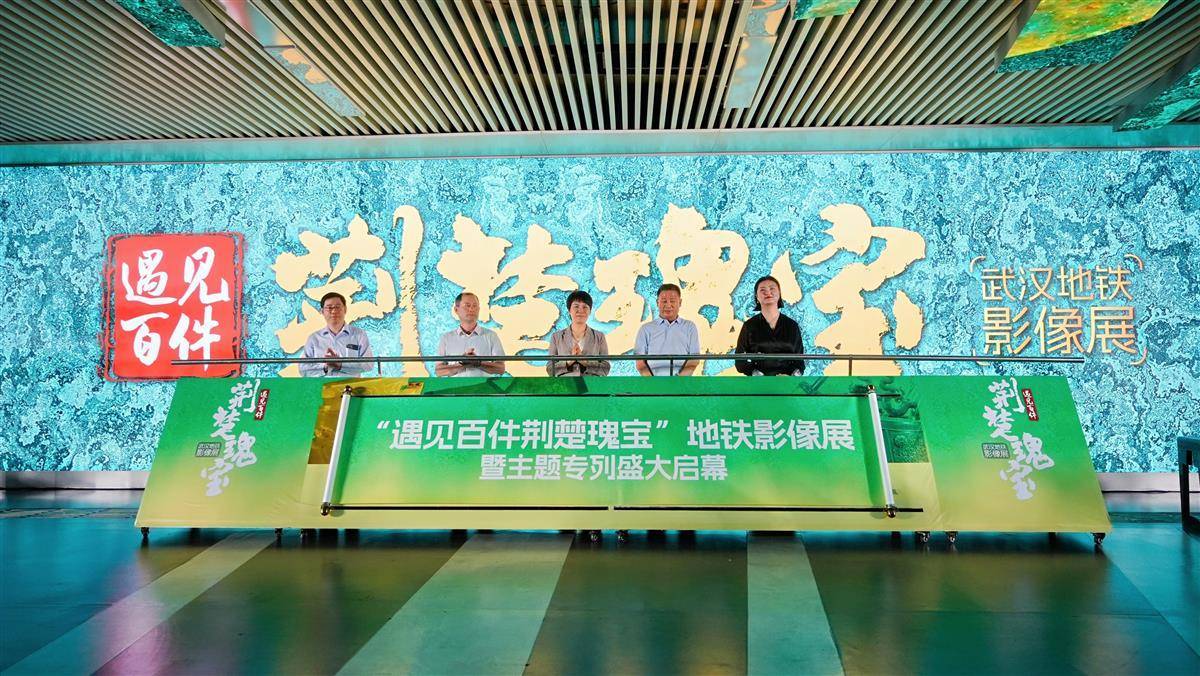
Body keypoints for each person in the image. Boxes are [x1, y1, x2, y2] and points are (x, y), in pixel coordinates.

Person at [735, 275, 806, 376]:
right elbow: (739, 360)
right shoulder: (749, 326)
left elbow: (800, 360)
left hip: (787, 381)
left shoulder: (792, 326)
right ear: (757, 297)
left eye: (772, 288)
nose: (768, 292)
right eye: (762, 290)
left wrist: (794, 375)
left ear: (779, 294)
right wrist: (754, 373)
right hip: (758, 382)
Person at [300, 292, 374, 377]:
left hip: (351, 384)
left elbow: (368, 364)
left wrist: (341, 365)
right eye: (329, 307)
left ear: (345, 309)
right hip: (322, 384)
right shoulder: (314, 338)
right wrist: (325, 367)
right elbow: (303, 369)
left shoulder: (359, 334)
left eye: (338, 307)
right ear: (322, 311)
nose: (334, 311)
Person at [635, 283, 701, 376]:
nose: (668, 305)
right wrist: (652, 383)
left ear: (680, 302)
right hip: (653, 382)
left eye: (672, 301)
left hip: (682, 382)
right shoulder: (645, 329)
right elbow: (640, 363)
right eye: (664, 301)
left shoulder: (690, 327)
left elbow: (694, 360)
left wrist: (679, 381)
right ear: (657, 303)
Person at [436, 292, 506, 377]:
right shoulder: (446, 338)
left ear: (479, 309)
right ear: (456, 310)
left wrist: (479, 363)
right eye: (467, 305)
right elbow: (439, 371)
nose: (471, 309)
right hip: (455, 385)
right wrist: (461, 363)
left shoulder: (491, 336)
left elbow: (500, 368)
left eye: (475, 306)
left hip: (483, 385)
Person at [546, 290, 611, 377]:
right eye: (576, 306)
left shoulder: (599, 336)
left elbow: (605, 368)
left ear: (590, 311)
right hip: (566, 384)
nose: (580, 310)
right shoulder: (556, 337)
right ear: (569, 310)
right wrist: (568, 362)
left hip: (591, 384)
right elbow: (550, 369)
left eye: (585, 307)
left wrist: (585, 362)